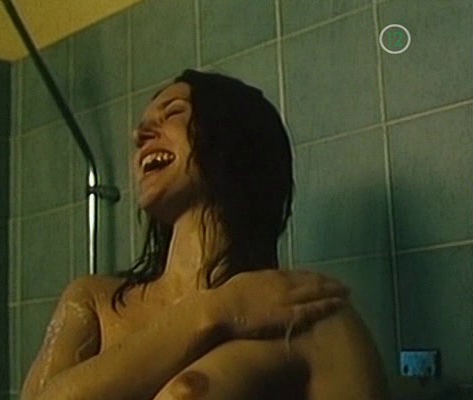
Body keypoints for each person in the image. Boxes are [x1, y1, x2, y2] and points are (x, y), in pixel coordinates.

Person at [20, 69, 389, 400]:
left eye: (173, 113)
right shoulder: (93, 301)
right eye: (142, 125)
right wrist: (218, 310)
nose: (138, 134)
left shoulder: (312, 315)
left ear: (232, 137)